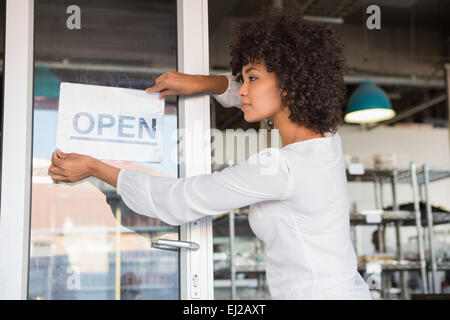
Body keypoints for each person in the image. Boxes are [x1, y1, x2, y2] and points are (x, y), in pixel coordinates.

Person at [48, 7, 371, 299]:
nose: (242, 88)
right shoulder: (326, 142)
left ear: (291, 83)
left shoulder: (281, 168)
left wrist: (94, 167)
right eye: (242, 78)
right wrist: (203, 82)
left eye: (252, 78)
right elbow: (247, 89)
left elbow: (178, 199)